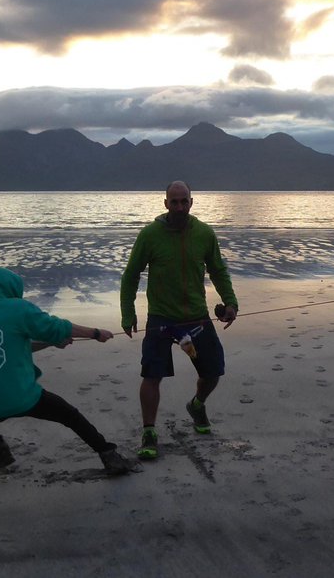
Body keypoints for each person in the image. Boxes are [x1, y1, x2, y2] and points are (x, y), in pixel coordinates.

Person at [0, 267, 134, 475]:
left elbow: (18, 346)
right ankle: (109, 455)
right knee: (70, 415)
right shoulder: (18, 308)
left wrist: (52, 343)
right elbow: (56, 326)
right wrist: (95, 333)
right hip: (22, 396)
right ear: (11, 287)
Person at [120, 180, 239, 459]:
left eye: (184, 201)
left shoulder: (205, 233)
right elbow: (131, 274)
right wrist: (128, 312)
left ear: (191, 202)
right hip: (161, 318)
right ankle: (149, 430)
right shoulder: (149, 235)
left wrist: (231, 302)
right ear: (165, 204)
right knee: (151, 375)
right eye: (174, 202)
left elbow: (219, 271)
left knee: (213, 372)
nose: (179, 206)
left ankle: (197, 405)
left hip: (196, 317)